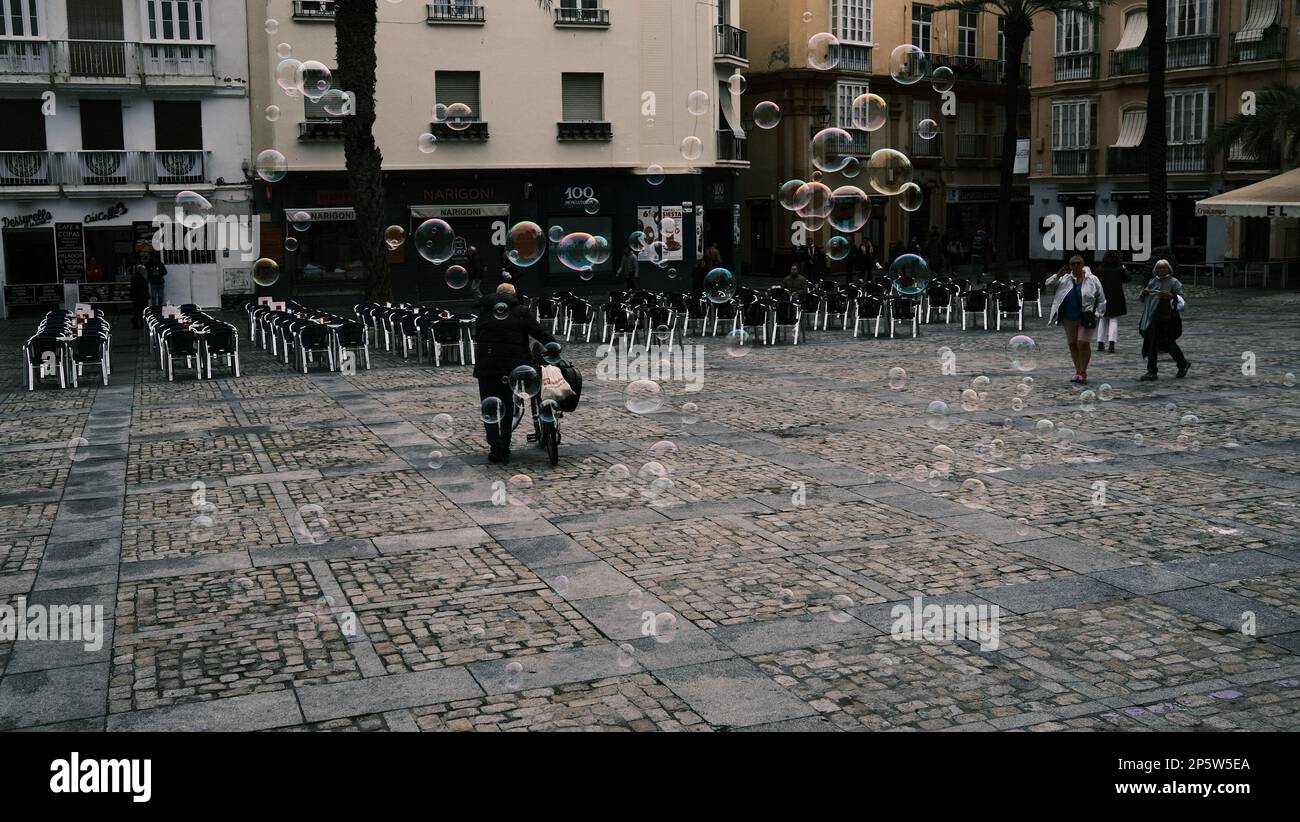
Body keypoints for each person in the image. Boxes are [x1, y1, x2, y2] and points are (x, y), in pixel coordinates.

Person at [473, 283, 558, 463]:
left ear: (497, 295)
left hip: (486, 367)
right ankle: (504, 446)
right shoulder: (521, 311)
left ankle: (495, 446)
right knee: (506, 406)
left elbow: (477, 335)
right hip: (511, 368)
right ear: (513, 295)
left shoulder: (484, 312)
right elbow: (539, 332)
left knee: (489, 408)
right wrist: (552, 345)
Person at [1044, 254, 1106, 384]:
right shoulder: (1065, 278)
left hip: (1086, 316)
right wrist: (1057, 275)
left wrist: (1097, 314)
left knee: (1082, 343)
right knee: (1072, 344)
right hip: (1069, 317)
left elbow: (1101, 298)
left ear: (1083, 264)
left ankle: (1083, 371)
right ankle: (1078, 371)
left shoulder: (1092, 279)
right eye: (1073, 264)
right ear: (1070, 265)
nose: (1076, 266)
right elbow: (1048, 285)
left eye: (1079, 263)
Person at [1138, 259, 1189, 381]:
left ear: (1168, 269)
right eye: (1159, 268)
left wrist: (1171, 296)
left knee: (1168, 343)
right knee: (1152, 343)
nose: (1161, 270)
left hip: (1168, 318)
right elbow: (1142, 300)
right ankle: (1152, 370)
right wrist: (1144, 293)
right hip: (1153, 317)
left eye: (1164, 267)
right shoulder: (1152, 281)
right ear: (1155, 270)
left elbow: (1182, 299)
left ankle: (1182, 364)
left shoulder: (1174, 282)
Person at [1093, 250, 1130, 354]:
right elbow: (1128, 278)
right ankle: (1112, 343)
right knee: (1113, 320)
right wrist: (1124, 269)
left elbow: (1094, 280)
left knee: (1103, 319)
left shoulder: (1100, 269)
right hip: (1116, 297)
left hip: (1102, 297)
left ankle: (1100, 342)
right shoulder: (1119, 269)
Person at [129, 262, 149, 329]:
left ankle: (136, 322)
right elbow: (144, 286)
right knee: (140, 311)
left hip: (136, 297)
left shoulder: (135, 277)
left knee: (137, 311)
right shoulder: (140, 278)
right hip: (140, 297)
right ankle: (138, 322)